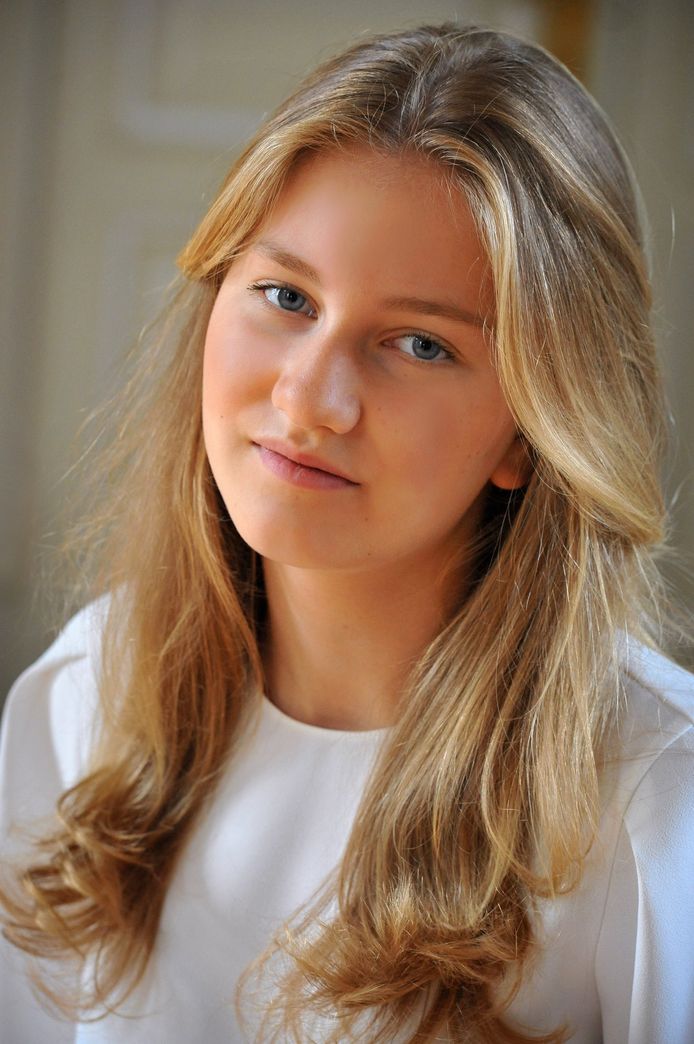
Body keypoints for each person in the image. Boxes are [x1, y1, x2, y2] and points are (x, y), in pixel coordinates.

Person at [1, 21, 693, 1044]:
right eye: (286, 296)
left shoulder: (656, 802)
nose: (310, 400)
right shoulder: (87, 692)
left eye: (418, 344)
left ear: (533, 429)